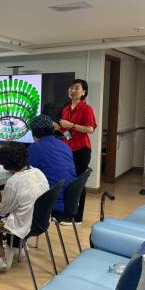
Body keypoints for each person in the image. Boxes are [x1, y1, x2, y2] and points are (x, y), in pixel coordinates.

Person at [0, 142, 49, 272]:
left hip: (23, 224)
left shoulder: (14, 182)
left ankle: (0, 256)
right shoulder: (38, 172)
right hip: (39, 221)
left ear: (5, 163)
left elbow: (3, 211)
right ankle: (16, 246)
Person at [54, 79, 97, 224]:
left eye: (77, 88)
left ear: (84, 92)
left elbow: (90, 129)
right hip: (68, 150)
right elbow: (68, 135)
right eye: (71, 88)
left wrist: (71, 125)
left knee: (78, 183)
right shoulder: (66, 109)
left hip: (82, 150)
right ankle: (68, 213)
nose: (73, 91)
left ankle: (77, 218)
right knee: (68, 181)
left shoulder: (86, 108)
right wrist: (60, 128)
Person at [28, 115, 76, 213]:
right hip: (69, 200)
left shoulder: (36, 147)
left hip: (52, 202)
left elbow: (24, 173)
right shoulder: (64, 145)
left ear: (34, 133)